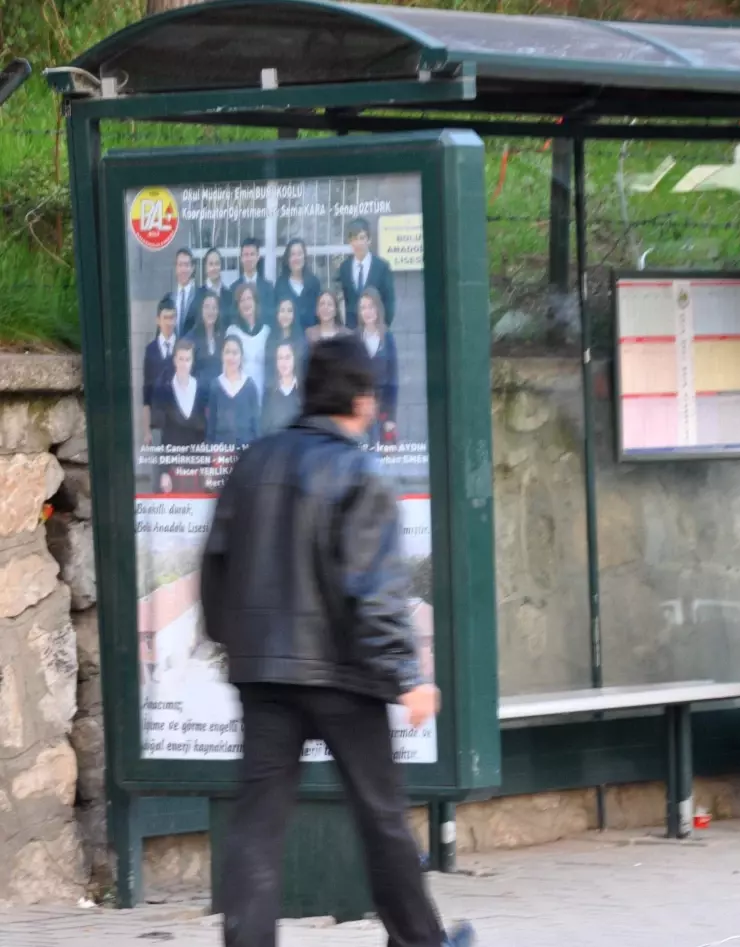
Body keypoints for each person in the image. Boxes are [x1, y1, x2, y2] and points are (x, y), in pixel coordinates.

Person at [200, 335, 474, 947]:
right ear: (360, 397)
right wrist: (408, 676)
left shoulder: (254, 461)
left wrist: (236, 644)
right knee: (380, 819)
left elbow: (215, 567)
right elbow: (373, 592)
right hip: (343, 676)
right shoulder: (359, 472)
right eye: (372, 392)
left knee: (258, 825)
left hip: (265, 674)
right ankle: (420, 942)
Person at [357, 286, 398, 443]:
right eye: (363, 308)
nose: (367, 312)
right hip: (360, 409)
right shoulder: (355, 338)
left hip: (382, 410)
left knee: (381, 460)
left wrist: (391, 418)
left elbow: (393, 381)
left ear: (378, 309)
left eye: (371, 306)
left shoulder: (388, 338)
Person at [337, 217, 394, 329]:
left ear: (369, 240)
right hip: (352, 332)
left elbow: (389, 302)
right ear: (350, 242)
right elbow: (344, 300)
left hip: (376, 331)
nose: (358, 243)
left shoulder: (382, 267)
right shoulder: (344, 268)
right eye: (354, 239)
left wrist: (382, 328)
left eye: (362, 238)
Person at [152, 338, 207, 447]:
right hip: (172, 456)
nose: (184, 364)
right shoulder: (165, 389)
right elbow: (158, 423)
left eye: (187, 359)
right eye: (181, 359)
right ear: (174, 360)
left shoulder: (201, 388)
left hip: (195, 457)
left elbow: (204, 425)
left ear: (192, 362)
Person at [206, 336, 260, 446]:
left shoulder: (249, 385)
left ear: (241, 356)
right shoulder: (215, 386)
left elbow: (256, 425)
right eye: (227, 352)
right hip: (221, 451)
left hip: (246, 449)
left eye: (235, 353)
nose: (231, 357)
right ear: (222, 356)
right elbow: (211, 425)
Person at [142, 296, 178, 447]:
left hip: (179, 425)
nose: (169, 322)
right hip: (157, 424)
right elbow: (146, 393)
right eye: (165, 318)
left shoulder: (183, 347)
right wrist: (146, 431)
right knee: (159, 469)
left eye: (172, 318)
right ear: (158, 320)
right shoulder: (150, 350)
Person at [227, 283, 272, 397]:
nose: (246, 303)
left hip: (261, 394)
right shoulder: (232, 332)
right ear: (238, 306)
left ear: (256, 302)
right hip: (238, 394)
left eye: (249, 299)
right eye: (242, 300)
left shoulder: (266, 332)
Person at [275, 238, 322, 331]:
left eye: (299, 254)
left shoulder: (314, 282)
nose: (296, 258)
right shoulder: (280, 284)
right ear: (287, 259)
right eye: (292, 254)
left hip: (311, 338)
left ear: (304, 257)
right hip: (289, 339)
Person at [260, 341, 302, 435]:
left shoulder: (302, 391)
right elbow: (264, 428)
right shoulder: (269, 391)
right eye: (280, 358)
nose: (284, 363)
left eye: (287, 357)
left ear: (294, 359)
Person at [266, 298, 308, 390]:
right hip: (275, 392)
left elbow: (304, 370)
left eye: (289, 311)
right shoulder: (270, 339)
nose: (285, 315)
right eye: (282, 311)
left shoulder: (301, 340)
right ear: (277, 314)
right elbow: (268, 370)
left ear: (294, 315)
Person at [231, 236, 274, 325]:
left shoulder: (268, 287)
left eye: (252, 254)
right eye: (246, 255)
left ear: (258, 257)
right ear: (241, 258)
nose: (249, 258)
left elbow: (270, 316)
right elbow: (232, 317)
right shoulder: (234, 288)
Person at [189, 290, 225, 388]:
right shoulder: (191, 338)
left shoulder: (223, 337)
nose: (211, 311)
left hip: (219, 395)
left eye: (214, 308)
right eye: (207, 307)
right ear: (201, 310)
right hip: (199, 395)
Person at [171, 249, 203, 337]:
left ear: (192, 268)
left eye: (186, 265)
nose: (183, 269)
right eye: (180, 265)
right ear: (176, 268)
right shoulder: (169, 298)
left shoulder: (200, 296)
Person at [200, 247, 235, 328]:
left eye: (217, 264)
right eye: (211, 264)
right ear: (205, 267)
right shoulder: (198, 295)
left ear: (221, 267)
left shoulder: (229, 296)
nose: (214, 268)